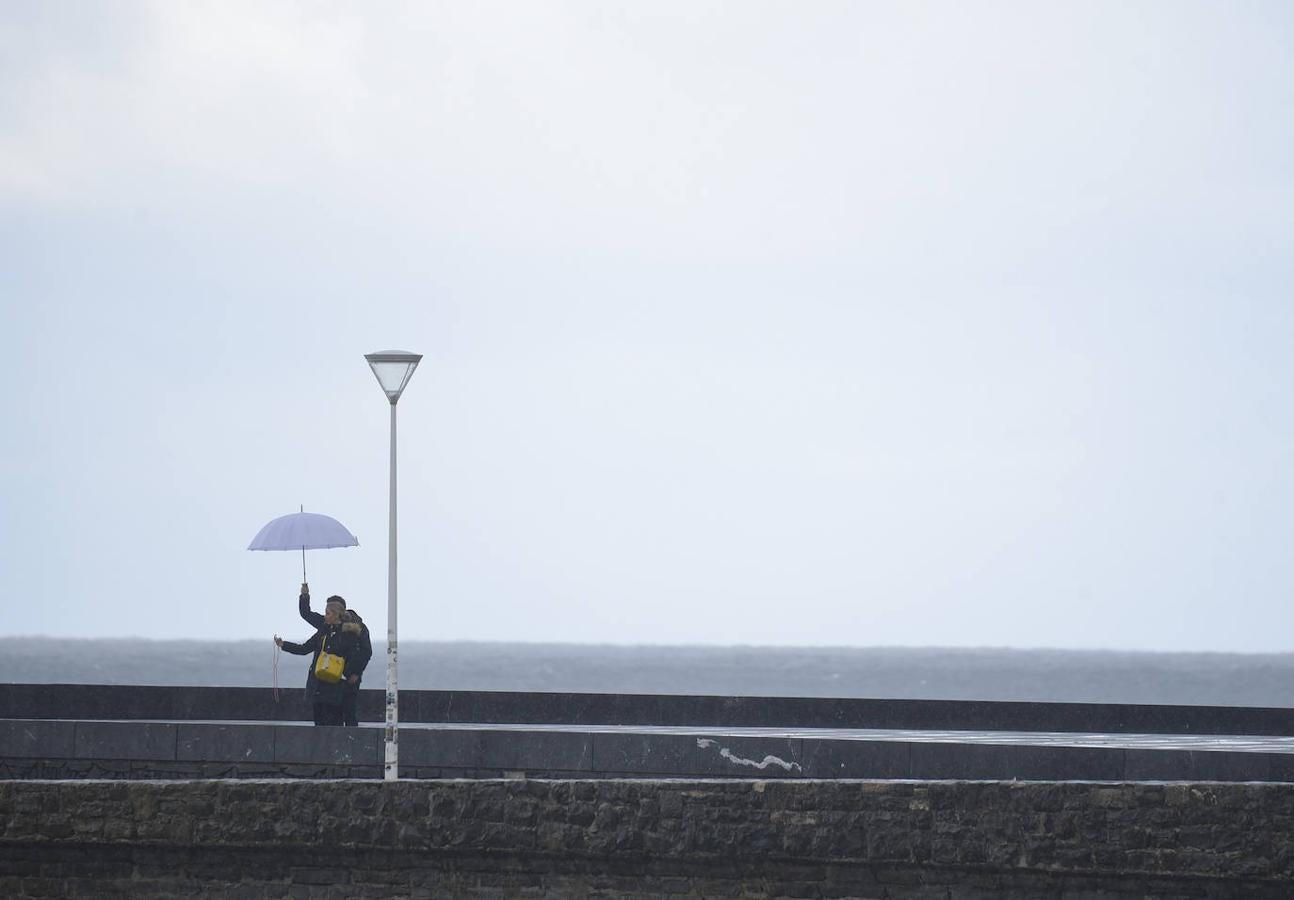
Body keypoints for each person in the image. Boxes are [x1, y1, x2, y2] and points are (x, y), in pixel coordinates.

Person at [274, 597, 365, 726]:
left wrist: (353, 674)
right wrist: (284, 645)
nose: (325, 617)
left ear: (336, 615)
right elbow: (304, 648)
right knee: (319, 724)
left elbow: (356, 657)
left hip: (336, 689)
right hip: (319, 688)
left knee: (334, 726)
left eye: (328, 613)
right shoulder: (324, 631)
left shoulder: (349, 635)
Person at [297, 582, 372, 727]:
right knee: (329, 719)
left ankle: (350, 746)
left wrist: (355, 673)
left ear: (339, 611)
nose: (326, 615)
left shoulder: (359, 628)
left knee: (349, 716)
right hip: (330, 682)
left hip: (349, 680)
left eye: (330, 610)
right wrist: (304, 596)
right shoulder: (327, 624)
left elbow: (366, 651)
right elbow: (306, 614)